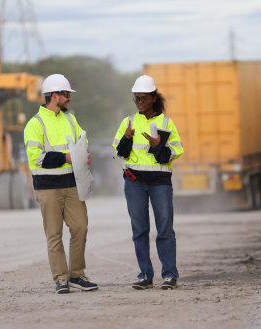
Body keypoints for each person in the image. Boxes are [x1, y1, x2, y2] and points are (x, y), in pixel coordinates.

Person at [24, 73, 98, 294]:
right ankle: (61, 279)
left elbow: (79, 145)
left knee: (80, 228)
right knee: (54, 234)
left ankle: (77, 275)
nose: (69, 99)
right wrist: (66, 157)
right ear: (54, 96)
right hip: (48, 187)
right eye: (66, 95)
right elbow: (35, 158)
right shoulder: (34, 124)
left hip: (72, 183)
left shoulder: (70, 119)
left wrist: (83, 156)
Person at [112, 75, 184, 290]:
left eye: (144, 98)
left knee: (164, 229)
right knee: (140, 230)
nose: (140, 102)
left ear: (154, 98)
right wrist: (126, 138)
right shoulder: (128, 122)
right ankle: (145, 274)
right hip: (134, 183)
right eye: (137, 99)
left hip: (160, 183)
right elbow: (117, 153)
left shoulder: (165, 123)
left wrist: (157, 146)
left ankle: (170, 275)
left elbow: (176, 151)